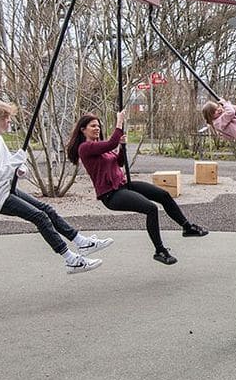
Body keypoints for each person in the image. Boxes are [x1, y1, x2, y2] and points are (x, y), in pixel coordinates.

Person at [0, 100, 111, 274]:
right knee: (40, 217)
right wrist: (17, 161)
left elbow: (7, 165)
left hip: (5, 189)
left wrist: (19, 168)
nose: (9, 121)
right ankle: (70, 259)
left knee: (46, 209)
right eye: (6, 118)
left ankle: (80, 241)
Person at [67, 110, 209, 266]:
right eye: (93, 126)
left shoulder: (101, 148)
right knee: (151, 209)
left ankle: (187, 227)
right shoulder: (85, 148)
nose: (97, 128)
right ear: (83, 129)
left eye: (98, 126)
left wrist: (122, 147)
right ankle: (160, 251)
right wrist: (119, 122)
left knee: (164, 195)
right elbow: (111, 143)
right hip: (111, 195)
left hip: (124, 185)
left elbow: (119, 162)